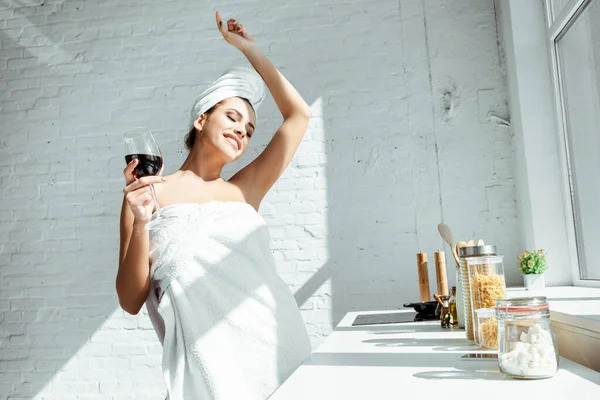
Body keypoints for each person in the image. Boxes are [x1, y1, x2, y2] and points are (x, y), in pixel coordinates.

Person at [116, 11, 312, 400]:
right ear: (201, 120)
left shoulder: (243, 190)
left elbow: (299, 115)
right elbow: (130, 300)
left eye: (250, 130)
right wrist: (140, 223)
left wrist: (250, 50)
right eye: (233, 117)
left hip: (277, 344)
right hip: (209, 362)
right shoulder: (148, 194)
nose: (242, 130)